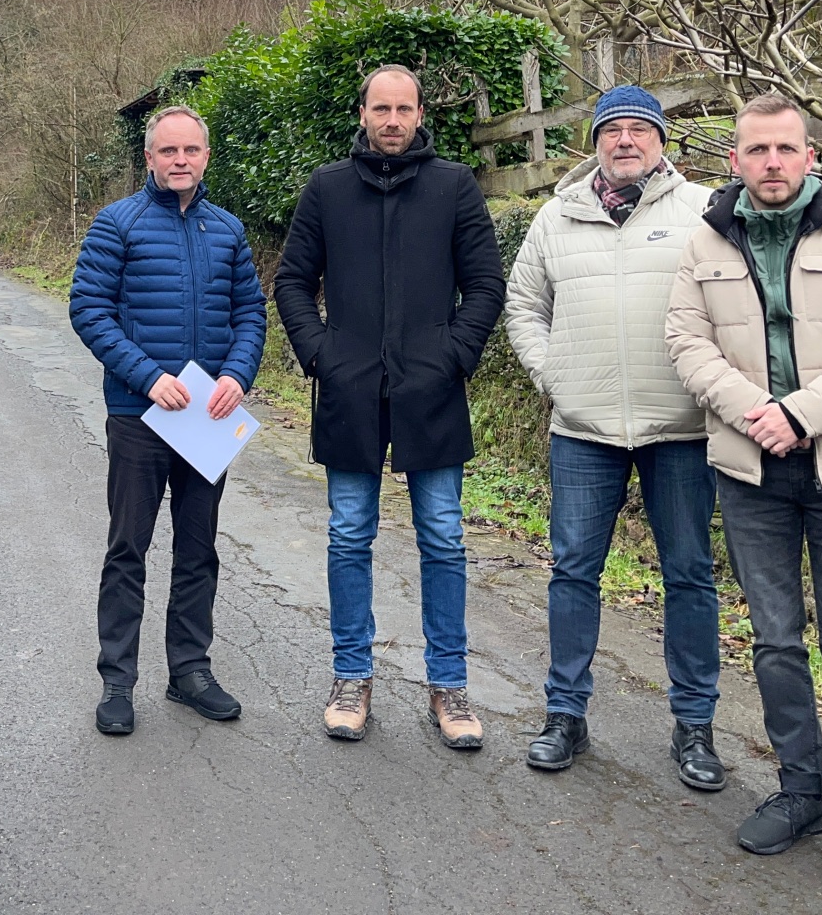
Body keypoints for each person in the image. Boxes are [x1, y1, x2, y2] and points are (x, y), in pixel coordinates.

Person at [665, 91, 822, 902]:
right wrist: (755, 415)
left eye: (785, 149)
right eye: (756, 151)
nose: (771, 163)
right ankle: (803, 795)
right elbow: (685, 340)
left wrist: (800, 414)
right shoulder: (704, 240)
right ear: (732, 162)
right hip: (751, 472)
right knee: (774, 640)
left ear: (811, 156)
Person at [274, 65, 505, 748]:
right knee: (349, 535)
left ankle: (450, 687)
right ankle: (352, 677)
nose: (394, 120)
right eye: (383, 108)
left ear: (420, 112)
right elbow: (292, 280)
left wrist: (452, 355)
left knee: (443, 537)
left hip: (431, 393)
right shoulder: (327, 188)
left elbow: (486, 284)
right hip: (349, 391)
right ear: (364, 112)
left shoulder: (454, 186)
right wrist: (322, 353)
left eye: (405, 108)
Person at [503, 85, 724, 789]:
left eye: (640, 129)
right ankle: (564, 715)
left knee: (688, 574)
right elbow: (523, 306)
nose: (625, 140)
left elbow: (732, 302)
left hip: (681, 428)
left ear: (663, 142)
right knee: (573, 572)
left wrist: (710, 384)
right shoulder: (555, 217)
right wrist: (552, 376)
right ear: (593, 142)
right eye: (612, 130)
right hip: (583, 427)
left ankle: (696, 727)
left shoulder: (703, 212)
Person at [70, 105, 267, 737]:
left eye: (191, 150)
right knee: (128, 548)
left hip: (207, 418)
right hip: (138, 414)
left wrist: (237, 375)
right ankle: (117, 681)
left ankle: (189, 672)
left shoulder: (226, 230)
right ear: (150, 158)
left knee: (199, 548)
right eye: (168, 151)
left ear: (206, 156)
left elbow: (249, 314)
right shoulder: (116, 223)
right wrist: (147, 377)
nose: (180, 160)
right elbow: (89, 309)